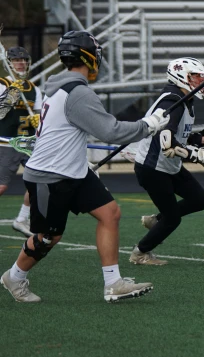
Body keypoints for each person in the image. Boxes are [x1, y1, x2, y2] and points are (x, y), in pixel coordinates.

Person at [0, 31, 169, 303]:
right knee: (47, 238)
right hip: (50, 176)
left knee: (110, 213)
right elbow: (110, 131)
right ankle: (14, 277)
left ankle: (113, 283)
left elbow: (70, 133)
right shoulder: (77, 93)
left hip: (73, 170)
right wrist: (147, 125)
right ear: (91, 58)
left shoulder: (61, 88)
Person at [130, 57, 204, 266]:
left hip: (168, 166)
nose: (200, 81)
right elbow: (167, 141)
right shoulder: (173, 101)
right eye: (195, 77)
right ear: (181, 77)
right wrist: (196, 156)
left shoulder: (185, 99)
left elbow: (181, 136)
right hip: (153, 168)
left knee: (200, 199)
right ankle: (140, 252)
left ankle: (156, 220)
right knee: (173, 218)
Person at [0, 47, 43, 237]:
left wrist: (39, 121)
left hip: (28, 143)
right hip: (6, 142)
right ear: (8, 63)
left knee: (40, 181)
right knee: (1, 187)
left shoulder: (34, 89)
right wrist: (10, 97)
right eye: (17, 60)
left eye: (24, 60)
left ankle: (21, 219)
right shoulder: (2, 84)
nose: (21, 64)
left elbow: (43, 116)